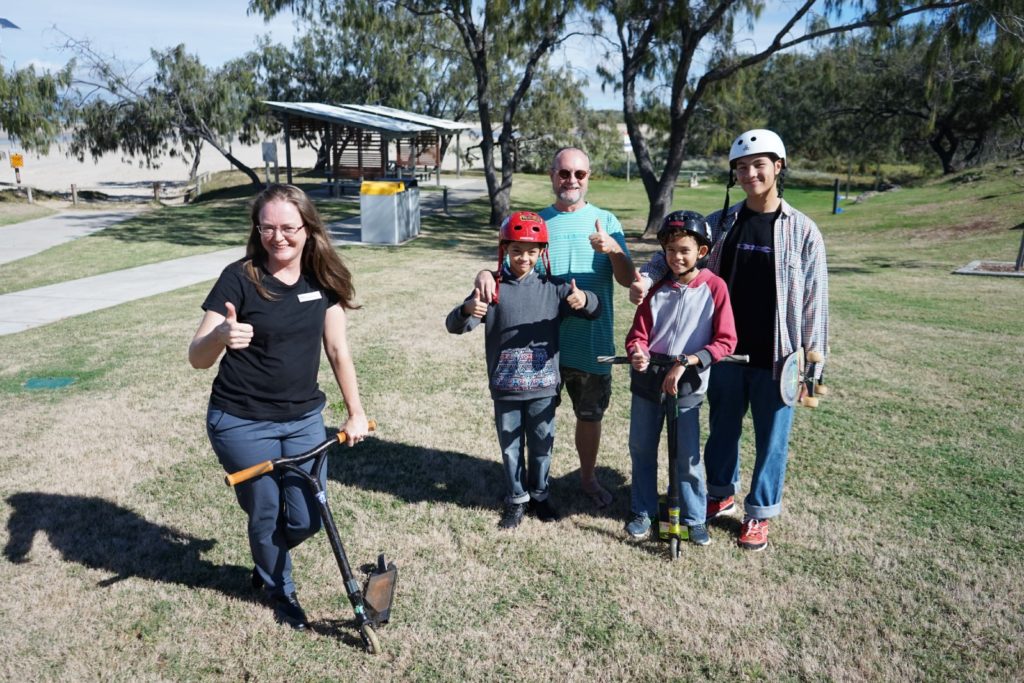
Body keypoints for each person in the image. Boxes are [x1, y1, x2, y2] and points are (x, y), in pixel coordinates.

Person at [631, 129, 829, 551]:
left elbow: (815, 299)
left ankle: (759, 513)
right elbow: (673, 252)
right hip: (722, 351)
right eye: (741, 167)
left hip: (778, 354)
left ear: (778, 167)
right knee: (722, 430)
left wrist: (813, 365)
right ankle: (719, 493)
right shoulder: (721, 223)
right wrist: (645, 278)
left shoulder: (803, 230)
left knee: (772, 439)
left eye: (759, 165)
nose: (750, 174)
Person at [188, 183, 370, 629]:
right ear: (257, 229)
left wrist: (356, 411)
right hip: (241, 421)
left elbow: (337, 350)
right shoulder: (239, 277)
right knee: (266, 511)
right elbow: (197, 357)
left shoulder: (322, 278)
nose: (278, 237)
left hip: (303, 418)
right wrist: (220, 336)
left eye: (288, 227)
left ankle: (266, 555)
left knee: (308, 517)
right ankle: (280, 590)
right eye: (267, 228)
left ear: (308, 228)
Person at [475, 148, 634, 508]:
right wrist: (484, 272)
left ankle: (588, 479)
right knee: (535, 422)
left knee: (589, 416)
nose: (571, 180)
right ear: (552, 175)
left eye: (579, 174)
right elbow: (508, 268)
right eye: (564, 173)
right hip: (539, 348)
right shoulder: (538, 222)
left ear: (589, 177)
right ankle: (534, 484)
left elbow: (627, 280)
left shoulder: (607, 221)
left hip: (590, 343)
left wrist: (613, 249)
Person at [448, 211, 601, 529]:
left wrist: (583, 298)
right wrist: (467, 309)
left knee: (542, 444)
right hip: (505, 387)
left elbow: (594, 309)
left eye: (532, 251)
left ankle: (540, 495)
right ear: (504, 249)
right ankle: (517, 499)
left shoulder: (554, 288)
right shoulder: (492, 289)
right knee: (511, 446)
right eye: (516, 250)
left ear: (542, 252)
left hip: (543, 388)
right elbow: (455, 325)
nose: (524, 258)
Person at [623, 211, 736, 546]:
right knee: (642, 448)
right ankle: (642, 510)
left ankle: (692, 516)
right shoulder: (655, 287)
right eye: (670, 250)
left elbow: (726, 341)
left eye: (684, 250)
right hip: (647, 382)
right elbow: (637, 335)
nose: (676, 257)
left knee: (686, 456)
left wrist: (689, 360)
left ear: (702, 251)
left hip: (688, 383)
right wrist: (637, 352)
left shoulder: (714, 287)